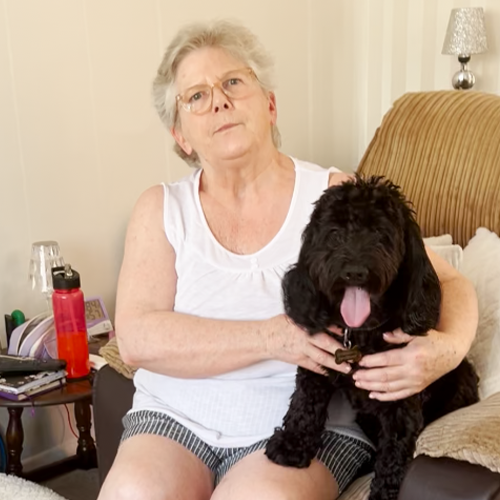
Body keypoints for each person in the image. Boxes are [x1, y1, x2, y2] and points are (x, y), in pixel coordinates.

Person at [97, 19, 478, 500]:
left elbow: (448, 282)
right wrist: (271, 337)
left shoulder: (335, 194)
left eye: (233, 82)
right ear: (181, 136)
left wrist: (447, 350)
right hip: (173, 418)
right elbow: (135, 339)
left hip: (312, 429)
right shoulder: (160, 208)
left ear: (271, 105)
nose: (219, 101)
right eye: (196, 96)